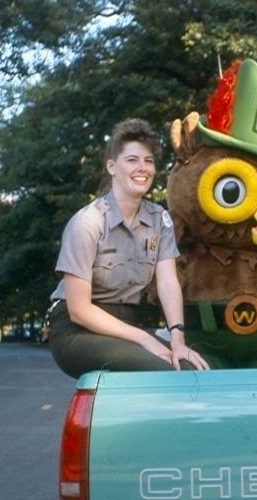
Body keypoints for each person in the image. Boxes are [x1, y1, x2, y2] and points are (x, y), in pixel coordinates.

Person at [47, 118, 210, 378]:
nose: (142, 168)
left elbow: (168, 283)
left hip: (125, 326)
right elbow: (79, 310)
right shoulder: (88, 223)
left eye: (149, 161)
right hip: (76, 330)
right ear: (112, 167)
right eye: (132, 160)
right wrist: (144, 340)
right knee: (165, 370)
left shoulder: (159, 220)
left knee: (191, 367)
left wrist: (178, 341)